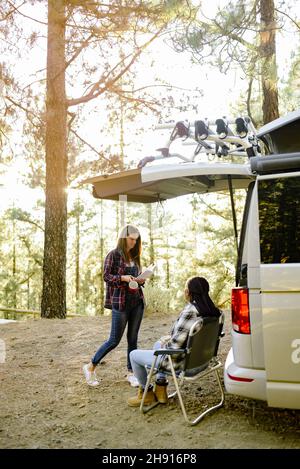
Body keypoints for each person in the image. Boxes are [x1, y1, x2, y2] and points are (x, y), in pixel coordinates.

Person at [127, 276, 221, 407]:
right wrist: (164, 341)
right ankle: (160, 391)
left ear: (189, 292)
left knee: (134, 355)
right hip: (202, 361)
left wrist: (166, 342)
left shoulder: (190, 311)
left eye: (185, 288)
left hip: (185, 365)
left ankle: (146, 393)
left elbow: (174, 347)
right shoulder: (213, 312)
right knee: (158, 344)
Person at [83, 224, 146, 387]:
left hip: (137, 302)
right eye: (131, 239)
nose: (134, 242)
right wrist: (123, 278)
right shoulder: (113, 255)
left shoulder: (135, 256)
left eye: (136, 240)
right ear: (123, 238)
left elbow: (136, 277)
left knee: (133, 339)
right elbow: (106, 276)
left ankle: (131, 373)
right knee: (114, 340)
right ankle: (90, 367)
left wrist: (140, 279)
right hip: (121, 303)